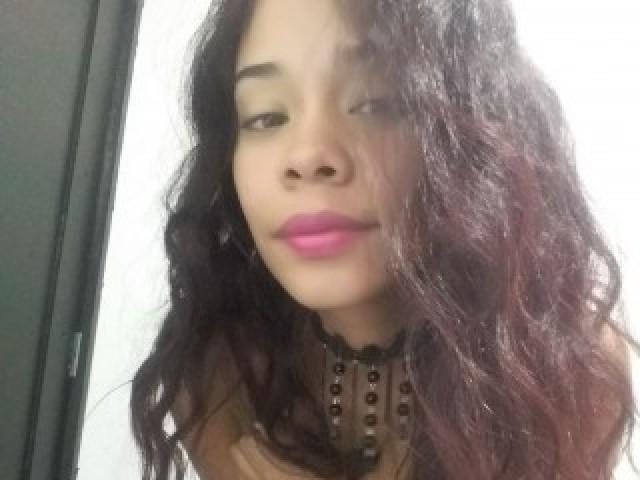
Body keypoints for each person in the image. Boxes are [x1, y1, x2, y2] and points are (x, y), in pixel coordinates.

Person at [130, 0, 637, 479]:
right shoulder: (220, 374)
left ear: (475, 132)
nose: (307, 156)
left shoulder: (571, 368)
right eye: (266, 116)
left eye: (375, 103)